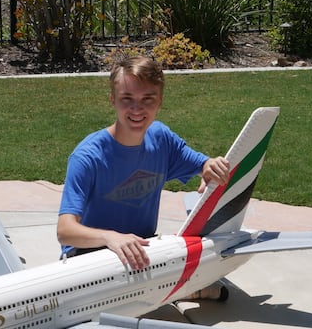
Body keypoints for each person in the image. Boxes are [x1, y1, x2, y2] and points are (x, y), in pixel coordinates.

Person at [57, 55, 230, 272]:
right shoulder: (88, 156)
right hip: (89, 255)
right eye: (127, 98)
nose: (137, 109)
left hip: (142, 249)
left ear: (160, 101)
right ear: (113, 100)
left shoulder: (161, 139)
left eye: (148, 99)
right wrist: (110, 238)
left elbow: (202, 164)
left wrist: (210, 167)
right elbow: (65, 230)